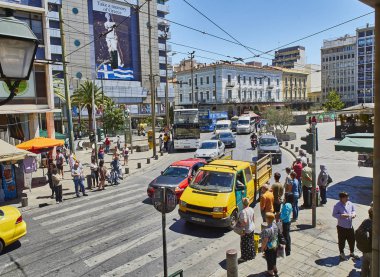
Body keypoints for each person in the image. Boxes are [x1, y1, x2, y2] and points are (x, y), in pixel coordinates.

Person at [332, 192, 360, 261]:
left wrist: (354, 214)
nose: (348, 198)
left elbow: (353, 210)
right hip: (341, 227)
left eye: (348, 197)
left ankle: (352, 252)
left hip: (350, 226)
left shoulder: (350, 203)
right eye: (346, 197)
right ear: (341, 198)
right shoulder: (337, 205)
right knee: (342, 241)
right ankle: (342, 253)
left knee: (352, 240)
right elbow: (334, 214)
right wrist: (341, 215)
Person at [238, 197, 255, 263]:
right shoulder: (251, 209)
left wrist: (240, 225)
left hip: (246, 230)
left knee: (244, 244)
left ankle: (244, 257)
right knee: (251, 242)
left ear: (243, 204)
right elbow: (253, 219)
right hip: (252, 228)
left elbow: (244, 222)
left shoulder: (243, 212)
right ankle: (252, 254)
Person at [357, 207, 373, 276]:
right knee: (373, 269)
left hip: (364, 248)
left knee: (364, 265)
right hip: (372, 250)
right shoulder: (376, 225)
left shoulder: (365, 221)